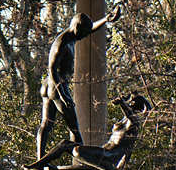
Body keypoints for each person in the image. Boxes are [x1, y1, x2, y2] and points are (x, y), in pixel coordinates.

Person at [35, 8, 121, 161]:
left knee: (47, 124)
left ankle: (40, 161)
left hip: (50, 86)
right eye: (84, 32)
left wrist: (106, 19)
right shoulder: (61, 43)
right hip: (56, 86)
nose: (86, 35)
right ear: (77, 27)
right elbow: (52, 69)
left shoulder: (72, 37)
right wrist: (63, 94)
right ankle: (85, 160)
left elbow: (91, 28)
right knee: (74, 127)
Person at [27, 91, 152, 170]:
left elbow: (128, 148)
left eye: (131, 101)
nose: (128, 102)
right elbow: (128, 150)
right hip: (103, 152)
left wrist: (119, 168)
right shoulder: (125, 120)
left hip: (110, 156)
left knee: (77, 151)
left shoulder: (134, 122)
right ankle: (40, 164)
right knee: (65, 144)